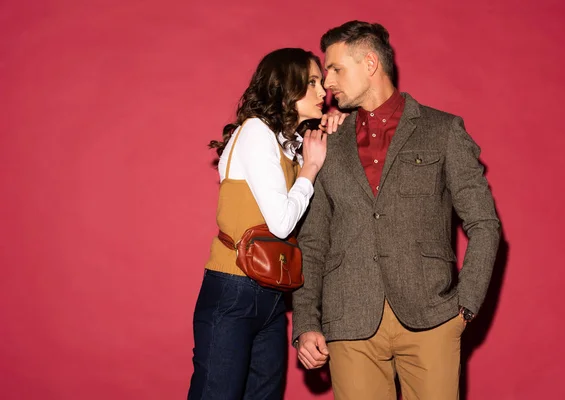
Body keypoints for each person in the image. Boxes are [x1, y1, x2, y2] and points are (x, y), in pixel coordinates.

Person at [292, 21, 501, 400]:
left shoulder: (442, 130)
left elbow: (484, 223)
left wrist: (465, 306)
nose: (328, 83)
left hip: (432, 317)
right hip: (348, 319)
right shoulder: (328, 141)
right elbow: (313, 239)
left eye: (336, 69)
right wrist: (306, 321)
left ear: (370, 64)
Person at [188, 47, 343, 400]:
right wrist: (310, 168)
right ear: (286, 86)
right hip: (234, 289)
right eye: (313, 82)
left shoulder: (289, 143)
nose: (324, 92)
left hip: (272, 293)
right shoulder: (256, 132)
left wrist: (339, 125)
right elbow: (281, 221)